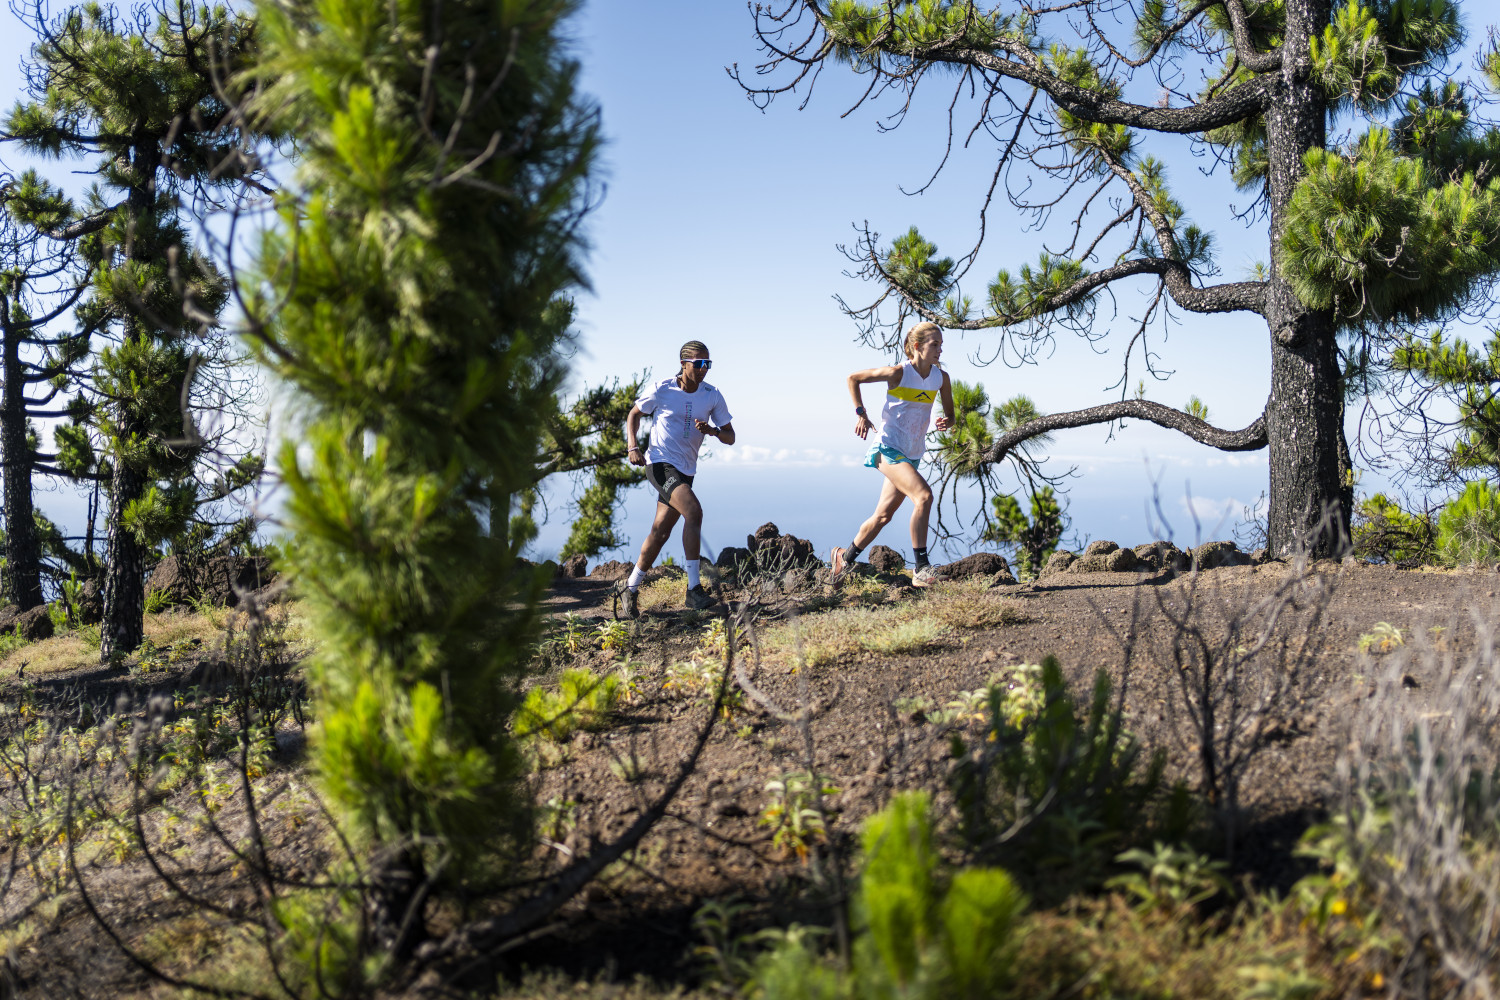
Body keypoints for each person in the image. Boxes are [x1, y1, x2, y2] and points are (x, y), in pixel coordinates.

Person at [831, 321, 955, 587]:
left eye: (941, 345)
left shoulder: (940, 378)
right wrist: (861, 414)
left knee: (882, 517)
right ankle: (921, 569)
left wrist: (947, 421)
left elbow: (951, 415)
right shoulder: (898, 373)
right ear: (917, 347)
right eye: (935, 345)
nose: (940, 350)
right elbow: (853, 378)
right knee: (923, 496)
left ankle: (844, 557)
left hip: (912, 453)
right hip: (888, 448)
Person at [617, 341, 735, 617]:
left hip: (686, 470)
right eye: (698, 363)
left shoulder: (712, 395)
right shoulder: (663, 388)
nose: (704, 369)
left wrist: (713, 431)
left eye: (708, 364)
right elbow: (634, 414)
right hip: (659, 463)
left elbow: (731, 436)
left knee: (660, 532)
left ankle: (630, 587)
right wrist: (632, 446)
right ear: (683, 364)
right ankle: (694, 590)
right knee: (693, 511)